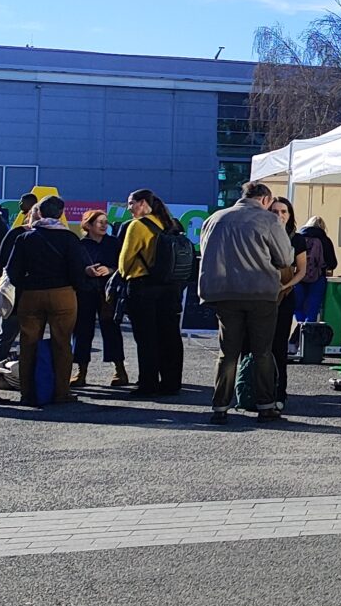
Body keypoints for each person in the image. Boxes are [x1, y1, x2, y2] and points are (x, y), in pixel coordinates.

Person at [197, 181, 294, 424]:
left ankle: (220, 407)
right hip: (260, 293)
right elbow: (284, 258)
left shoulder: (215, 218)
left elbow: (205, 252)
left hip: (224, 293)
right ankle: (266, 406)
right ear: (264, 200)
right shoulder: (268, 220)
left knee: (228, 353)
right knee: (262, 352)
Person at [6, 196, 93, 406]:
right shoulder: (69, 238)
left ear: (40, 213)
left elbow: (12, 271)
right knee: (62, 343)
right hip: (62, 293)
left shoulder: (25, 238)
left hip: (31, 294)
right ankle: (61, 392)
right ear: (61, 214)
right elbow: (76, 269)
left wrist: (26, 284)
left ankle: (27, 393)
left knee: (28, 343)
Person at [118, 189, 186, 397]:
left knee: (147, 338)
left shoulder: (137, 226)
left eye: (131, 203)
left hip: (143, 287)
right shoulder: (171, 224)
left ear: (143, 203)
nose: (129, 208)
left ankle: (148, 384)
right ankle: (171, 383)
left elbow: (124, 264)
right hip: (171, 288)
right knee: (171, 336)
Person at [72, 209, 125, 387]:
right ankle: (81, 371)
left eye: (105, 221)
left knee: (111, 330)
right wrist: (86, 271)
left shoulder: (114, 243)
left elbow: (123, 265)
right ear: (88, 225)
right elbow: (73, 268)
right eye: (99, 222)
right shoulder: (80, 245)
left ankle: (120, 370)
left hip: (108, 293)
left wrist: (110, 270)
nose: (104, 225)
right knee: (82, 331)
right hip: (85, 292)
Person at [266, 196, 310, 409]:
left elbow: (302, 269)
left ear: (290, 215)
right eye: (275, 211)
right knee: (257, 344)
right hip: (261, 296)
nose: (279, 215)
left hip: (285, 296)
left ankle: (279, 392)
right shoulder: (260, 234)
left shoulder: (297, 239)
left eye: (284, 211)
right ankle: (256, 389)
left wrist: (287, 286)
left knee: (278, 345)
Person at [0, 193, 40, 372]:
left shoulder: (16, 234)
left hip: (23, 294)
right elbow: (2, 261)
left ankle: (3, 376)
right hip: (27, 295)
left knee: (11, 337)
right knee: (17, 336)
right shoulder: (17, 233)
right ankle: (3, 376)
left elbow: (1, 261)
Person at [294, 215, 336, 323]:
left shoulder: (299, 238)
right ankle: (308, 333)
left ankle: (300, 329)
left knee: (297, 307)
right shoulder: (325, 240)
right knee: (312, 309)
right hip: (318, 278)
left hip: (298, 278)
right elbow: (332, 263)